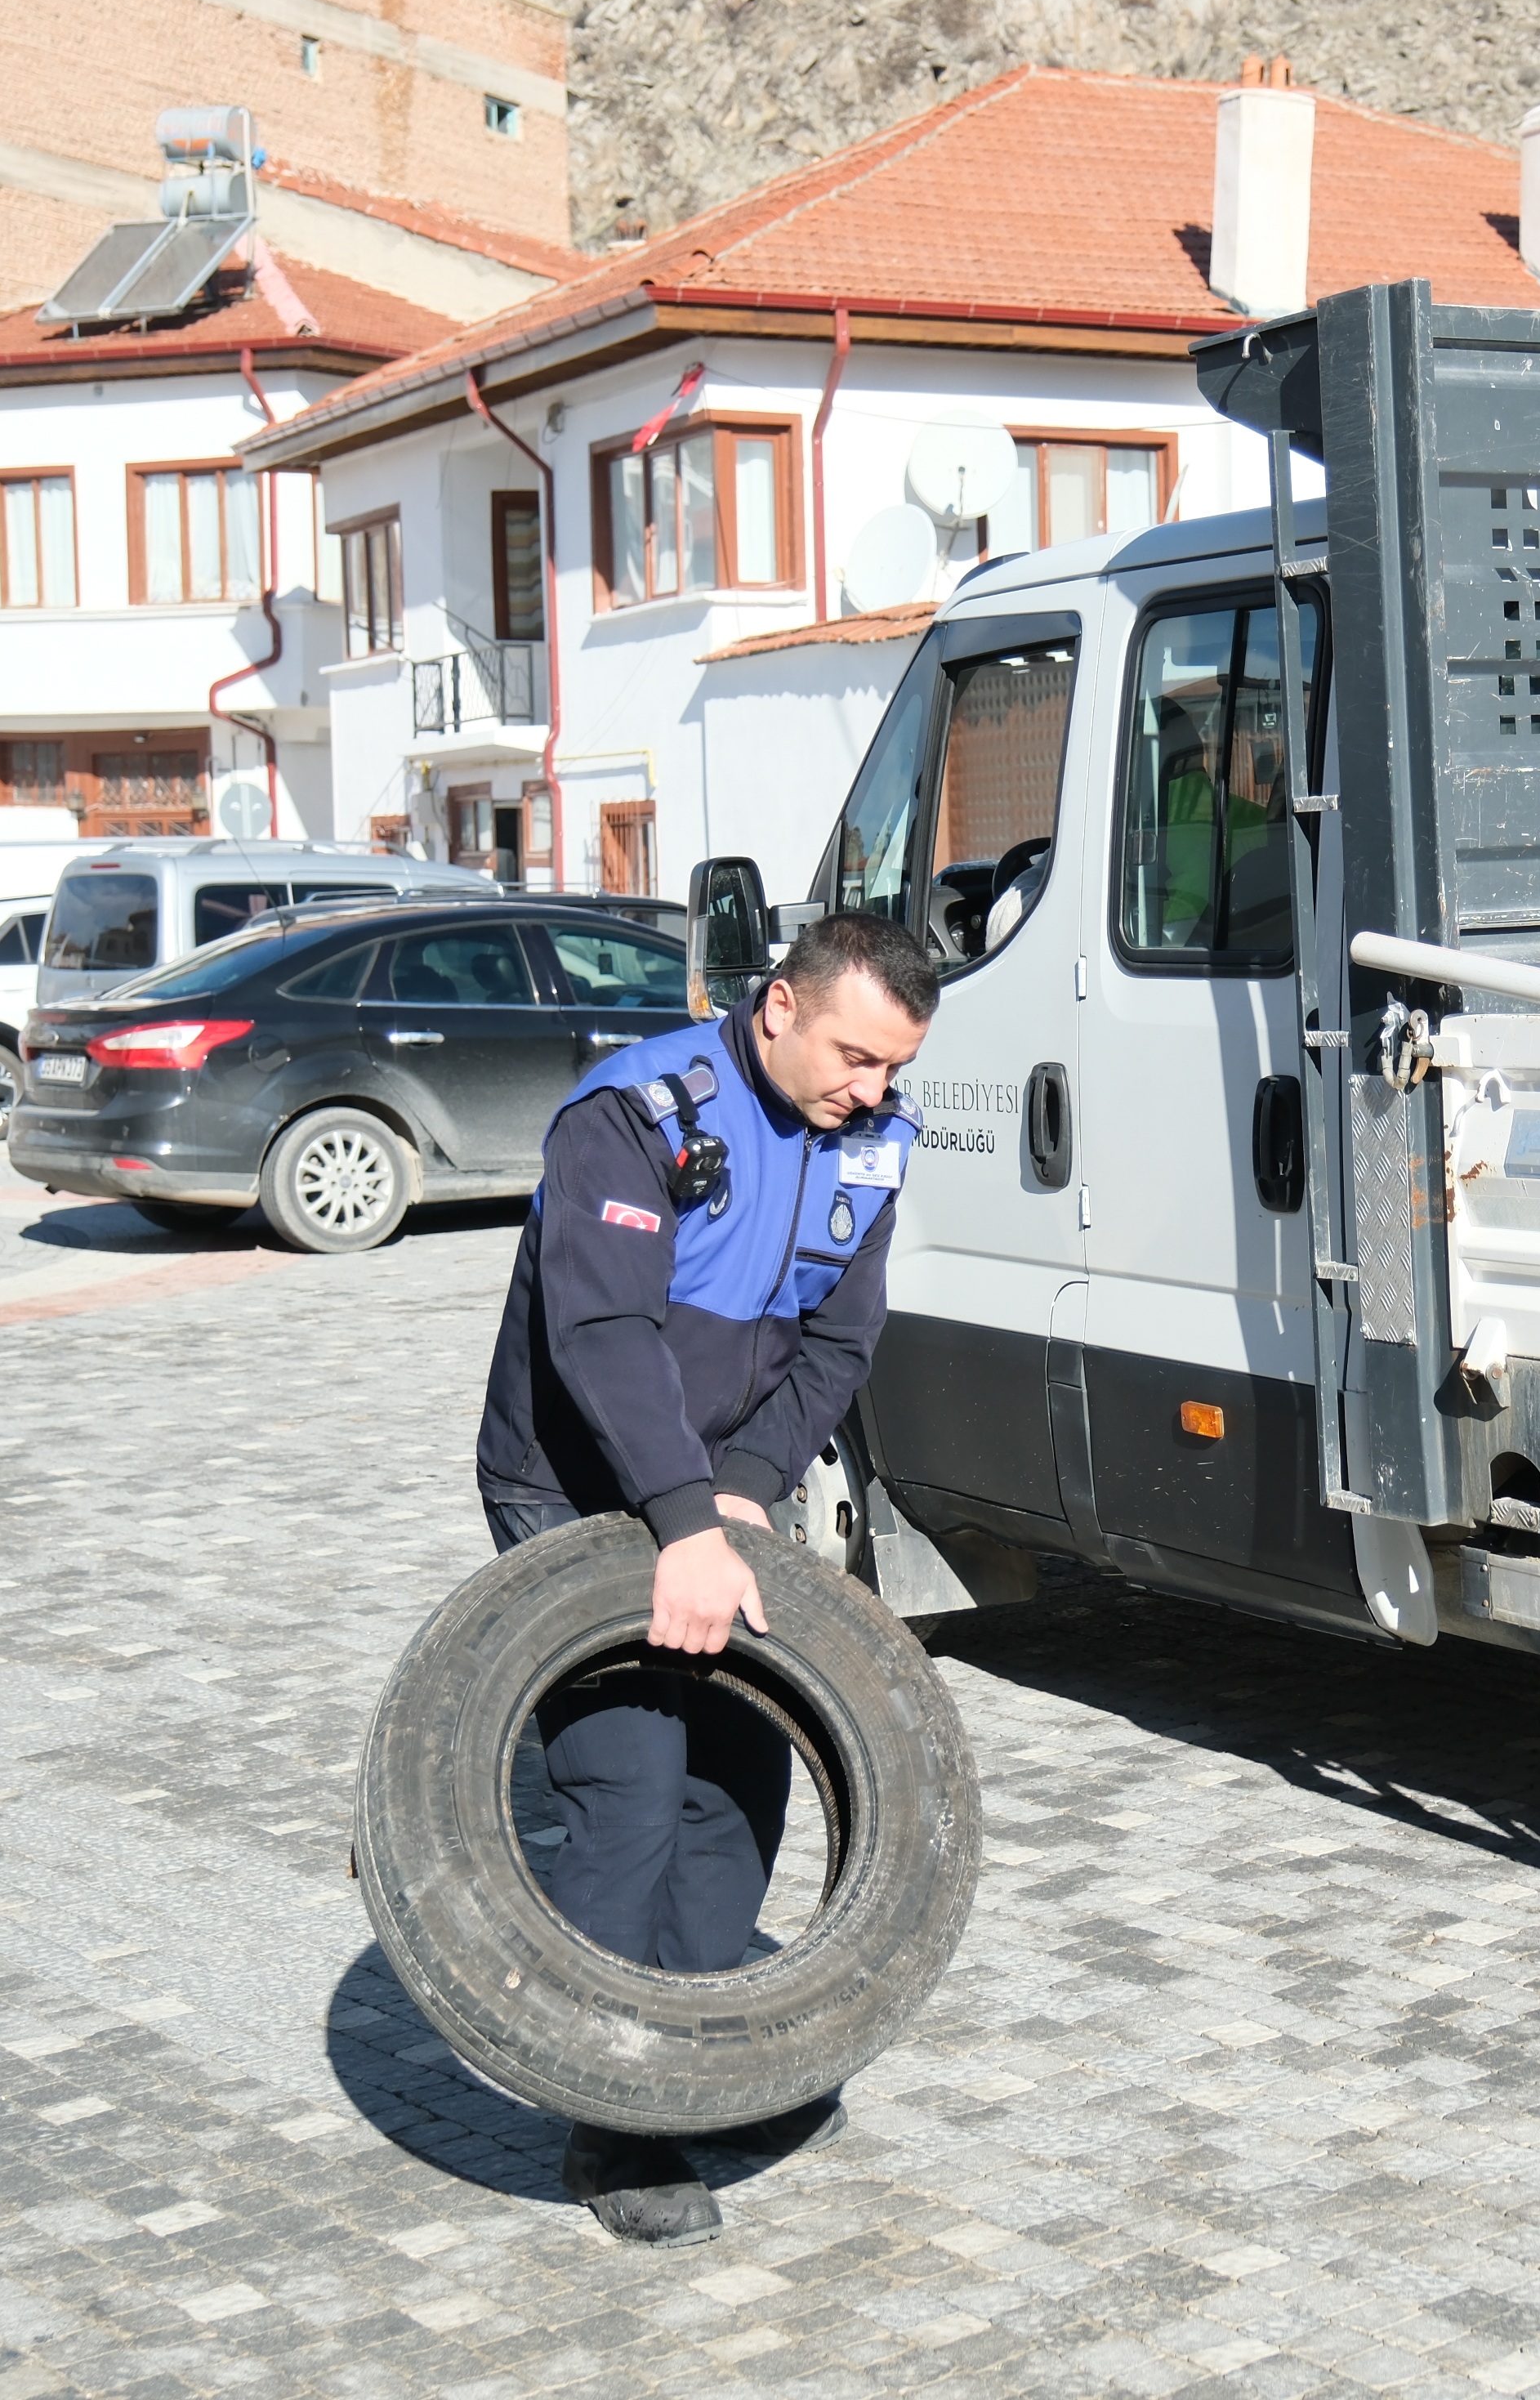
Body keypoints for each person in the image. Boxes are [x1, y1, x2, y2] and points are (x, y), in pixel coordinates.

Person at [474, 906, 939, 2246]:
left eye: (896, 1068)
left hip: (719, 1491)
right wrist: (682, 1519)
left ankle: (709, 2061)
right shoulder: (632, 1115)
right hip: (574, 1480)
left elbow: (839, 1342)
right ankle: (613, 2114)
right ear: (780, 1006)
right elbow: (603, 1333)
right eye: (856, 1055)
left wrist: (744, 1486)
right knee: (630, 1779)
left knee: (737, 1772)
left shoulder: (873, 1141)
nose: (874, 1089)